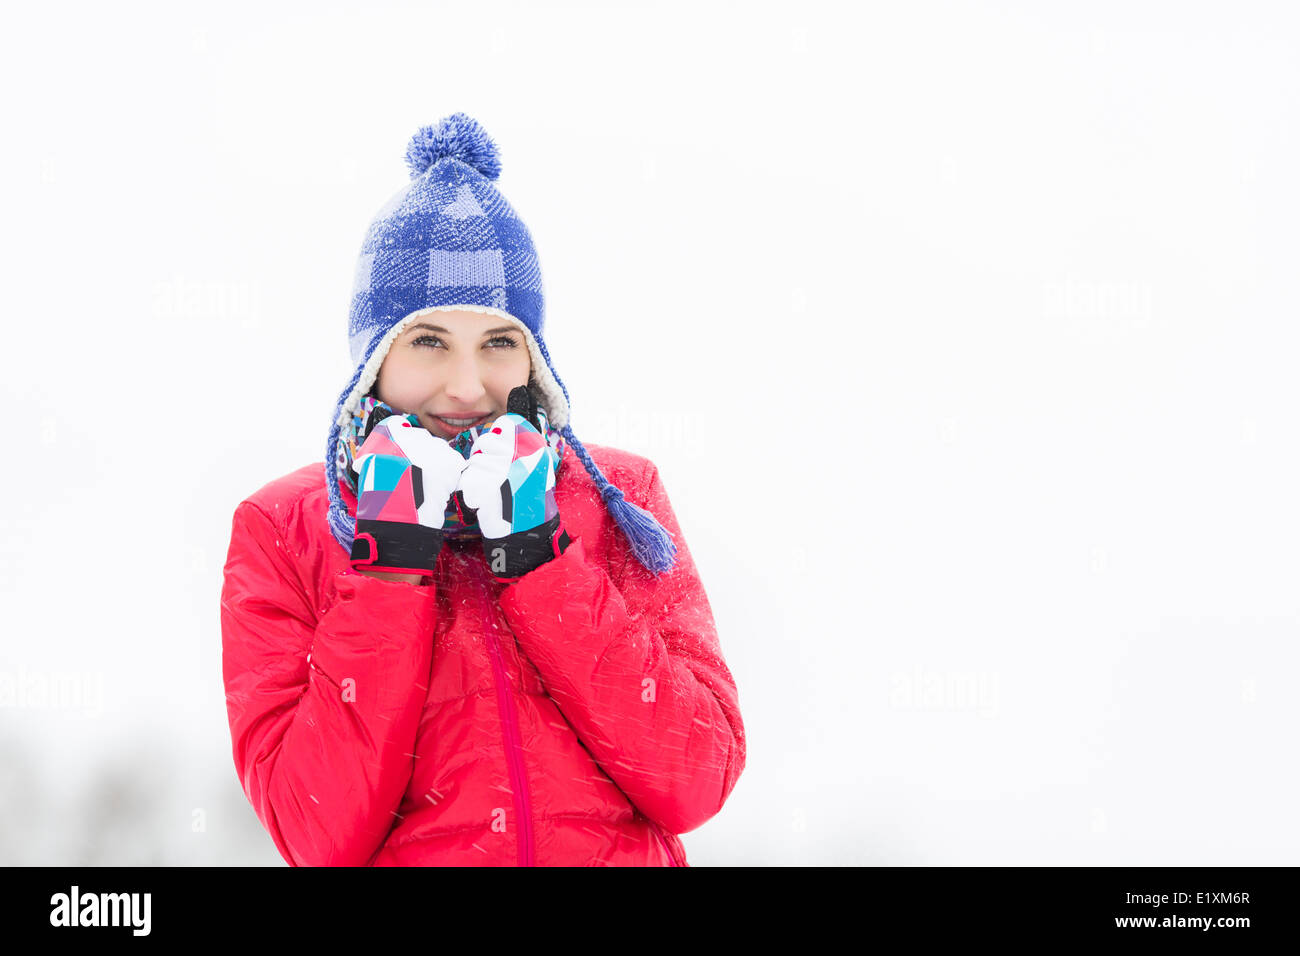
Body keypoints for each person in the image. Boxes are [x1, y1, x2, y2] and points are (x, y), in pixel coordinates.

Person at [219, 113, 746, 866]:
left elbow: (695, 779)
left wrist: (542, 557)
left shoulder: (619, 497)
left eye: (499, 342)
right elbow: (317, 832)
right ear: (373, 356)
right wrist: (391, 562)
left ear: (534, 357)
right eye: (429, 340)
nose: (467, 386)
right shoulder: (284, 528)